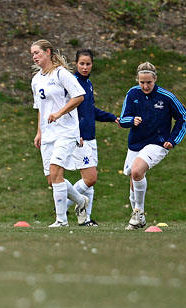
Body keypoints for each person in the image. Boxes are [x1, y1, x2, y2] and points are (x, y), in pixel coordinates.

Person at [118, 62, 186, 230]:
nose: (145, 86)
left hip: (157, 143)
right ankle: (138, 218)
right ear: (138, 80)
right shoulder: (132, 93)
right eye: (142, 82)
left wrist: (173, 139)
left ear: (155, 79)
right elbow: (123, 118)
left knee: (136, 170)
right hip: (135, 143)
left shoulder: (166, 97)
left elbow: (183, 117)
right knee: (133, 177)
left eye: (148, 82)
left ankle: (139, 212)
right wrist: (132, 120)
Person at [30, 39, 86, 227]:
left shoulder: (62, 74)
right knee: (51, 179)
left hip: (66, 131)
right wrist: (39, 132)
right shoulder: (36, 79)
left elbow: (79, 96)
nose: (34, 56)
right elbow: (40, 108)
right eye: (32, 54)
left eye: (37, 52)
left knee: (55, 172)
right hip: (48, 133)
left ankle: (61, 220)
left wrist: (60, 113)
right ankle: (81, 201)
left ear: (48, 52)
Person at [68, 49, 118, 226]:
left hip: (91, 137)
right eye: (81, 63)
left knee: (89, 183)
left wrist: (113, 118)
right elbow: (69, 111)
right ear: (75, 64)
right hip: (79, 138)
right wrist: (76, 134)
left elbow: (90, 110)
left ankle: (86, 219)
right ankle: (62, 203)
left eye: (88, 63)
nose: (85, 66)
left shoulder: (87, 83)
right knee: (90, 178)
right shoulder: (72, 83)